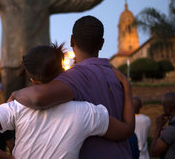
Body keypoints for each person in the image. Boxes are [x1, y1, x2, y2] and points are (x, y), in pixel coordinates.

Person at [0, 43, 134, 159]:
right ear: (63, 71)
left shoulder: (15, 108)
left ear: (31, 79)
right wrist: (126, 87)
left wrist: (10, 158)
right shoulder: (87, 112)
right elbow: (126, 130)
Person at [8, 15, 132, 158]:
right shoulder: (116, 76)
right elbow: (128, 128)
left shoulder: (74, 76)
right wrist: (128, 87)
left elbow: (38, 98)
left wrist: (16, 94)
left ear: (72, 40)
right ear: (102, 43)